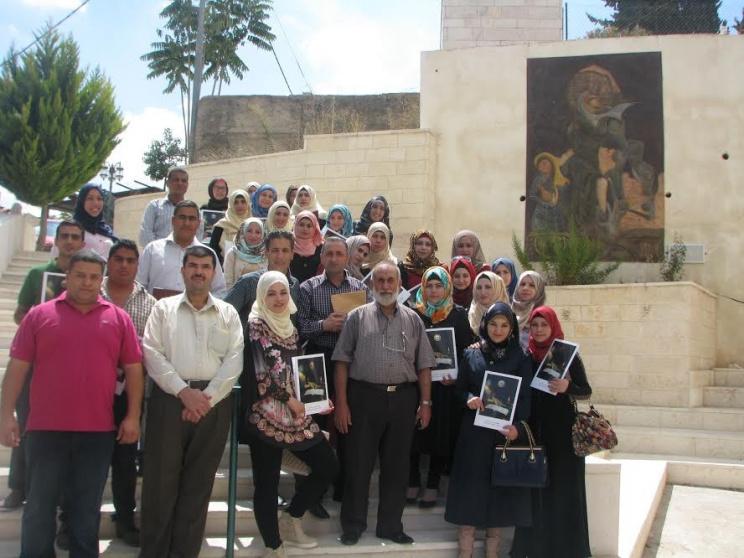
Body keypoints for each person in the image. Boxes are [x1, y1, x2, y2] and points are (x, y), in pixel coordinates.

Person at [0, 249, 144, 558]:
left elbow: (134, 370)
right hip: (45, 430)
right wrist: (6, 414)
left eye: (94, 277)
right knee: (39, 506)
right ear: (67, 277)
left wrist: (133, 416)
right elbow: (17, 367)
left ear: (101, 280)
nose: (87, 282)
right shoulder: (39, 315)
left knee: (86, 508)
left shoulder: (118, 318)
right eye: (80, 275)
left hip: (97, 433)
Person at [139, 245, 243, 558]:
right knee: (160, 482)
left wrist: (205, 399)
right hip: (170, 401)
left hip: (213, 406)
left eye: (205, 266)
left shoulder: (228, 314)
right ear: (183, 270)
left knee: (199, 484)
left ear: (214, 272)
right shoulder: (163, 309)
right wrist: (184, 393)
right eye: (193, 265)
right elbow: (151, 352)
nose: (199, 272)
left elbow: (234, 359)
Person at [332, 261, 436, 546]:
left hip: (403, 399)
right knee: (358, 465)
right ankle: (353, 525)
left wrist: (426, 403)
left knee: (397, 467)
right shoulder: (356, 317)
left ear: (399, 284)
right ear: (371, 284)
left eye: (391, 280)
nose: (386, 286)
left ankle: (390, 526)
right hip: (363, 398)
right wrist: (342, 403)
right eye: (381, 280)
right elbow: (341, 362)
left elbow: (424, 365)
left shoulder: (413, 320)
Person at [243, 272, 339, 558]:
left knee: (328, 466)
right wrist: (290, 401)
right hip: (266, 413)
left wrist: (315, 400)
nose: (278, 299)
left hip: (296, 411)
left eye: (283, 292)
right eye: (271, 293)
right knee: (267, 483)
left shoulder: (291, 326)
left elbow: (296, 368)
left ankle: (291, 517)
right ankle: (273, 546)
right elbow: (261, 373)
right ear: (262, 296)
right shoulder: (256, 324)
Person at [3, 221, 85, 512]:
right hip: (37, 364)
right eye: (65, 236)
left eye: (75, 237)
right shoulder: (37, 274)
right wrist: (38, 319)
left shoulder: (89, 278)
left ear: (82, 242)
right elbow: (19, 313)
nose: (70, 241)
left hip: (72, 368)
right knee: (27, 424)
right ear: (57, 241)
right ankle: (18, 486)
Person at [445, 302, 533, 558]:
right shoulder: (471, 354)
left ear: (512, 329)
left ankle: (492, 552)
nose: (498, 330)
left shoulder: (521, 357)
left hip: (503, 434)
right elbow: (460, 390)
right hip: (473, 435)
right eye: (493, 324)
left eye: (504, 325)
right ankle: (466, 552)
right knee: (470, 490)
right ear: (485, 325)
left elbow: (525, 398)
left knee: (499, 493)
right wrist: (469, 399)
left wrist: (517, 428)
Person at [511, 306, 592, 558]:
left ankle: (567, 550)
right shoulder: (526, 356)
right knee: (536, 493)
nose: (538, 330)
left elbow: (586, 390)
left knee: (565, 492)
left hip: (563, 436)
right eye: (534, 325)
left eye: (544, 325)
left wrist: (568, 386)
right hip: (535, 433)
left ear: (553, 326)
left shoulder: (567, 355)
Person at [297, 237, 371, 509]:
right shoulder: (307, 288)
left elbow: (369, 326)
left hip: (351, 362)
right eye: (329, 254)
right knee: (314, 425)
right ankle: (311, 493)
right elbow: (299, 328)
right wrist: (324, 325)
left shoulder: (360, 288)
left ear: (347, 257)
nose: (334, 259)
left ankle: (343, 488)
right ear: (322, 257)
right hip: (317, 359)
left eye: (340, 254)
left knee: (348, 424)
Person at [101, 240, 157, 547]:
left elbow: (152, 349)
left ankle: (124, 519)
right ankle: (71, 521)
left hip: (129, 393)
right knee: (85, 459)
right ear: (109, 262)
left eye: (130, 260)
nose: (124, 265)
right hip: (89, 391)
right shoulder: (92, 293)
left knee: (125, 461)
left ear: (137, 265)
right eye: (118, 259)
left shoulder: (149, 303)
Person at [408, 267, 475, 508]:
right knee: (413, 432)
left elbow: (467, 351)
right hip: (416, 385)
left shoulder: (458, 314)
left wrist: (456, 378)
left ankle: (433, 484)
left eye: (439, 286)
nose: (434, 291)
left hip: (445, 387)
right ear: (423, 287)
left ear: (447, 288)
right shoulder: (413, 313)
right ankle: (412, 480)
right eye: (429, 286)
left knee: (441, 434)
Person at [137, 200, 226, 298]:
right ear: (173, 221)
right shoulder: (152, 250)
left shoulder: (209, 254)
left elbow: (220, 290)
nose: (187, 223)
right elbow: (139, 286)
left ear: (198, 223)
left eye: (192, 219)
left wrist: (202, 305)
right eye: (182, 217)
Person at [224, 230, 299, 327]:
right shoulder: (249, 282)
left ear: (292, 254)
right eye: (275, 250)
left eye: (285, 251)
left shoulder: (294, 284)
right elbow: (223, 315)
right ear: (266, 253)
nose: (280, 256)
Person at [139, 166, 190, 247]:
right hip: (157, 253)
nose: (180, 183)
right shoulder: (154, 206)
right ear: (167, 183)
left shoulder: (193, 210)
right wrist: (159, 251)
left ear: (187, 185)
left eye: (183, 181)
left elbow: (197, 235)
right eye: (176, 180)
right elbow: (145, 235)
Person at [71, 184, 116, 259]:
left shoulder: (106, 229)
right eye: (90, 198)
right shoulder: (72, 229)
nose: (95, 203)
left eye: (99, 199)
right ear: (82, 201)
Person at [210, 189, 251, 263]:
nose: (239, 205)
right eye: (236, 202)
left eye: (243, 202)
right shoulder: (221, 225)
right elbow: (213, 249)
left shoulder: (253, 224)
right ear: (231, 204)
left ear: (247, 204)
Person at [223, 218, 267, 289]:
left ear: (262, 235)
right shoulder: (233, 253)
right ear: (243, 232)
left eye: (258, 232)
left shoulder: (266, 254)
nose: (253, 235)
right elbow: (228, 283)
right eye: (249, 231)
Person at [512, 270, 547, 348]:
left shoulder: (544, 315)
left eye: (532, 285)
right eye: (522, 284)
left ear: (539, 289)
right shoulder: (508, 312)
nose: (525, 288)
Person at [290, 210, 324, 284]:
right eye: (301, 225)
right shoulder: (289, 244)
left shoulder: (321, 247)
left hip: (314, 287)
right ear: (295, 225)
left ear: (315, 228)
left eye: (309, 226)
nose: (305, 229)